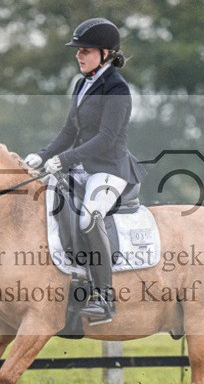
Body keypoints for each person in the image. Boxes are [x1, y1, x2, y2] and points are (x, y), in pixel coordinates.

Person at [25, 18, 147, 324]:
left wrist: (65, 160)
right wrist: (42, 156)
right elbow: (69, 131)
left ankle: (105, 297)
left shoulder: (117, 90)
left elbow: (106, 139)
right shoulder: (82, 84)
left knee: (89, 216)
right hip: (82, 167)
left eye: (85, 50)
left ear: (105, 53)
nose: (78, 55)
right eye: (78, 50)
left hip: (110, 170)